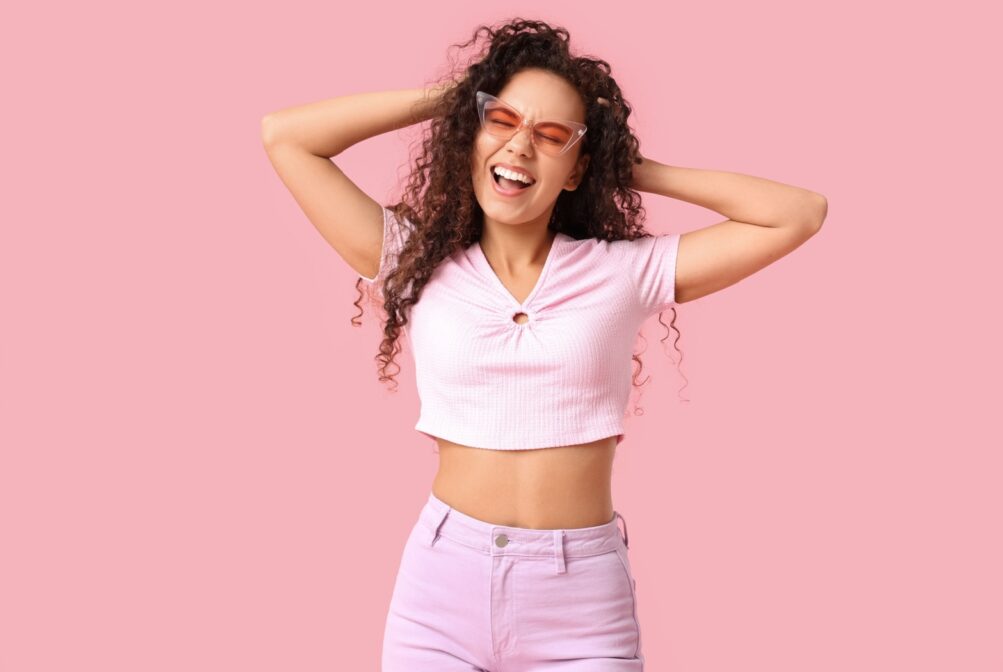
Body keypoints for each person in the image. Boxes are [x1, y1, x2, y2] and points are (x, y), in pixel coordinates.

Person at [261, 17, 826, 672]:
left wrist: (634, 169)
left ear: (578, 167)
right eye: (501, 121)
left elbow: (798, 212)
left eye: (551, 135)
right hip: (439, 589)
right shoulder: (413, 259)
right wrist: (458, 95)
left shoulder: (623, 272)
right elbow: (287, 138)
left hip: (579, 602)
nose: (520, 147)